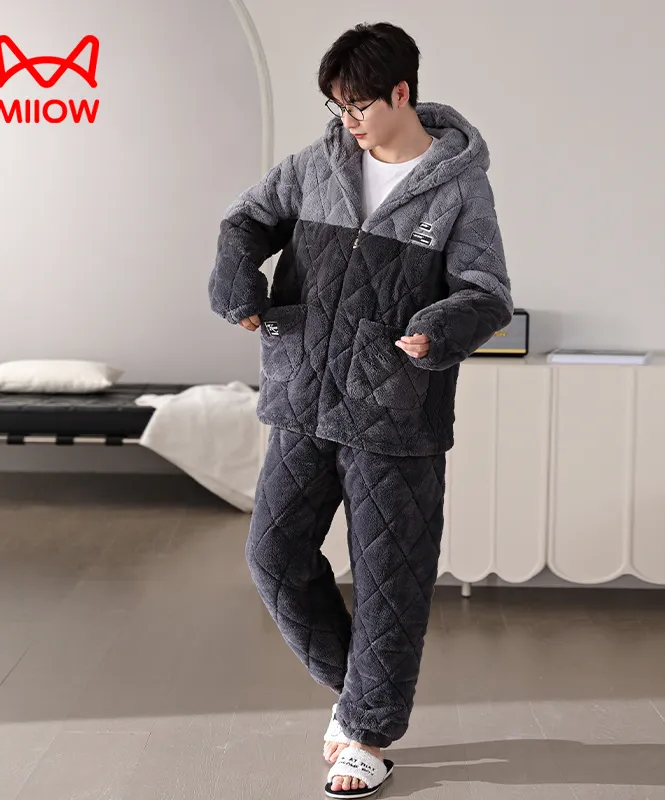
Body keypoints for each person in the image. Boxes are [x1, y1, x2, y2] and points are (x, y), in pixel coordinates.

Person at [208, 21, 513, 798]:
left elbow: (487, 294)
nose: (347, 121)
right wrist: (238, 281)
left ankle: (368, 738)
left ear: (401, 93)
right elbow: (244, 222)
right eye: (338, 106)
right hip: (303, 397)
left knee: (389, 581)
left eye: (359, 106)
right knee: (273, 557)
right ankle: (358, 701)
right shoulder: (316, 165)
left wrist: (438, 328)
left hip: (395, 413)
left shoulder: (457, 188)